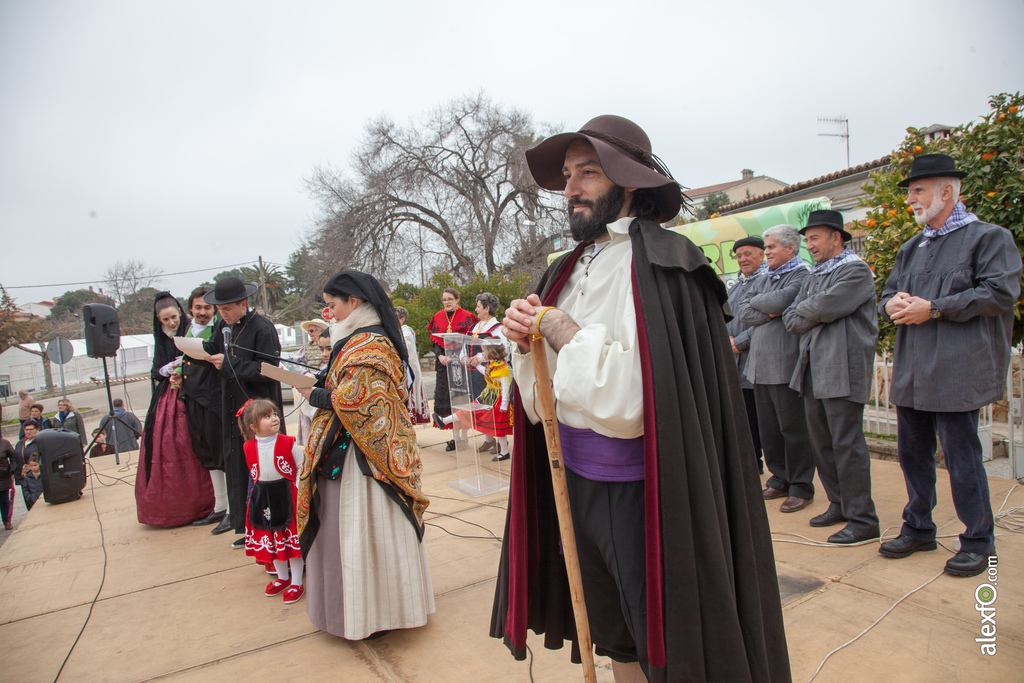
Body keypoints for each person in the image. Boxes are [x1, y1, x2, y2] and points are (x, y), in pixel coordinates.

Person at [493, 116, 789, 682]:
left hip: (645, 490)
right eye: (567, 175)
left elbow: (635, 400)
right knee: (613, 631)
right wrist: (524, 337)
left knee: (664, 636)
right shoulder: (567, 266)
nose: (571, 188)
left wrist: (560, 331)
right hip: (571, 476)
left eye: (588, 172)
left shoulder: (667, 264)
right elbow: (542, 401)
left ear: (628, 183)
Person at [877, 154, 1021, 577]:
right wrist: (892, 303)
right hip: (913, 368)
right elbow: (887, 294)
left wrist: (935, 308)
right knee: (912, 454)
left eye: (918, 190)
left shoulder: (989, 238)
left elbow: (999, 293)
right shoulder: (911, 247)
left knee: (962, 457)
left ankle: (978, 540)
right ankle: (918, 527)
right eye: (909, 192)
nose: (911, 200)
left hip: (958, 367)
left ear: (946, 191)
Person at [297, 270, 434, 641]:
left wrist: (316, 394)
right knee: (355, 536)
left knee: (362, 534)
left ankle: (375, 615)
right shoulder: (359, 337)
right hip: (356, 451)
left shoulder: (369, 343)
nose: (328, 314)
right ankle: (362, 611)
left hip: (367, 459)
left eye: (332, 306)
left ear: (353, 302)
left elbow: (359, 401)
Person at [783, 210, 880, 544]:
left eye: (814, 238)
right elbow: (791, 319)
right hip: (812, 370)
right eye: (807, 240)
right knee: (823, 445)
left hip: (842, 369)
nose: (810, 246)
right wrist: (812, 311)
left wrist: (811, 310)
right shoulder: (815, 275)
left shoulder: (855, 271)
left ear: (836, 238)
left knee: (846, 444)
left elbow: (824, 307)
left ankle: (863, 519)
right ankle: (838, 504)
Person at [736, 224, 815, 514]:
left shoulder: (801, 275)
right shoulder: (766, 277)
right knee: (770, 431)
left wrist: (764, 307)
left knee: (793, 430)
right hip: (758, 367)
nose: (766, 252)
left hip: (784, 364)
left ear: (790, 248)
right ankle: (779, 478)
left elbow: (785, 300)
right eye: (766, 247)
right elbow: (743, 310)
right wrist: (767, 311)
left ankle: (801, 486)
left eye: (770, 247)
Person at [203, 276, 286, 547]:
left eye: (227, 308)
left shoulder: (262, 329)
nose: (222, 314)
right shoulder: (222, 327)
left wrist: (229, 364)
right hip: (233, 409)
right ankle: (247, 526)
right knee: (239, 466)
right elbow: (216, 352)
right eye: (219, 309)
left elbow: (268, 368)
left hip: (259, 411)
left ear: (243, 303)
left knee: (264, 470)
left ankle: (271, 528)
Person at [135, 292, 215, 527]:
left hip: (193, 392)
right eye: (165, 320)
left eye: (173, 317)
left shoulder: (193, 331)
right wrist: (168, 368)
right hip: (167, 398)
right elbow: (155, 371)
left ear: (180, 312)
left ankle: (206, 502)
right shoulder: (161, 339)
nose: (171, 323)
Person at [171, 286, 229, 530]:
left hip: (212, 400)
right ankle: (220, 506)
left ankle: (232, 510)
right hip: (192, 398)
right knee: (206, 454)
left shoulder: (218, 329)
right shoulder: (187, 329)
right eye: (198, 307)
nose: (203, 312)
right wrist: (178, 374)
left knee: (221, 453)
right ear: (190, 309)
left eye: (207, 307)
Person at [238, 398, 305, 604]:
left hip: (286, 496)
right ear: (253, 427)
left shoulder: (288, 443)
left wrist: (299, 490)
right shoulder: (248, 447)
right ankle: (282, 578)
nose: (274, 418)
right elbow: (254, 473)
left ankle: (296, 581)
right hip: (263, 499)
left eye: (275, 414)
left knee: (290, 542)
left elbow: (301, 466)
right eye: (267, 416)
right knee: (275, 541)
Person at [726, 236, 768, 474]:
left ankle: (762, 463)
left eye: (748, 253)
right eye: (739, 255)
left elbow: (765, 318)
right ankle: (751, 463)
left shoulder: (766, 280)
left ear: (761, 254)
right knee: (743, 417)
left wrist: (740, 342)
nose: (743, 259)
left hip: (756, 361)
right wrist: (727, 339)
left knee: (760, 418)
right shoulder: (737, 285)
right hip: (735, 363)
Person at [435, 343, 513, 462]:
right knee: (470, 409)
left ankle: (504, 452)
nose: (481, 354)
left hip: (498, 399)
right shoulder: (492, 364)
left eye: (483, 351)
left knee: (499, 427)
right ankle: (444, 420)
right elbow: (486, 372)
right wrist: (476, 365)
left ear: (491, 352)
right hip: (488, 396)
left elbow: (506, 386)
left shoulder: (502, 368)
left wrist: (504, 403)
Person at [427, 288, 477, 451]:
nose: (447, 302)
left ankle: (464, 437)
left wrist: (460, 356)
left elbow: (471, 340)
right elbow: (435, 341)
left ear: (457, 300)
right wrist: (440, 356)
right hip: (444, 365)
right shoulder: (437, 316)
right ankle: (455, 438)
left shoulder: (468, 316)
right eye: (444, 299)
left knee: (462, 400)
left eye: (450, 299)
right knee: (448, 401)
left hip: (461, 364)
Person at [395, 307, 431, 425]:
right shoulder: (399, 331)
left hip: (408, 371)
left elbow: (403, 351)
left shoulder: (406, 333)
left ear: (402, 319)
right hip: (400, 371)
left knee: (409, 402)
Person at [13, 420, 41, 511]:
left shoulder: (40, 442)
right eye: (26, 430)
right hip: (24, 477)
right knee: (28, 501)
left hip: (38, 477)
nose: (28, 432)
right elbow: (15, 458)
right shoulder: (20, 443)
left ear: (37, 429)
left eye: (31, 429)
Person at [1, 407, 15, 529]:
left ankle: (6, 520)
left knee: (4, 501)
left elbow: (13, 456)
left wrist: (12, 470)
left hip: (3, 477)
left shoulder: (4, 443)